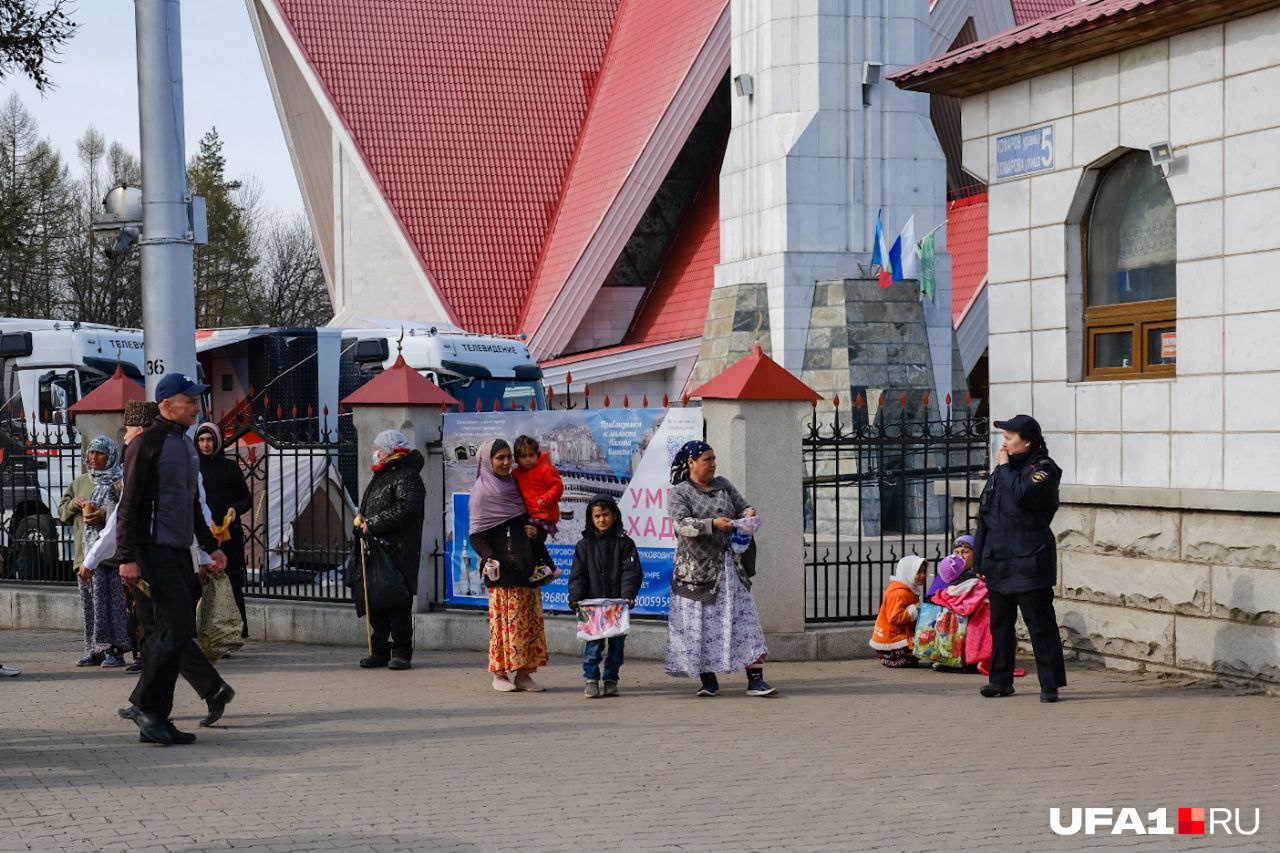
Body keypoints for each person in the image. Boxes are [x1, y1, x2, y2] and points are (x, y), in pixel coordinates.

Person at [85, 401, 232, 732]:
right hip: (159, 559)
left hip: (164, 560)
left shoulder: (157, 453)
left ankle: (193, 693)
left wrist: (96, 559)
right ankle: (148, 704)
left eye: (131, 429)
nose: (126, 436)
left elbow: (131, 514)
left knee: (167, 630)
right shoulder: (157, 452)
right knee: (157, 631)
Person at [664, 440, 775, 697]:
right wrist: (712, 524)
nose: (713, 464)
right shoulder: (680, 493)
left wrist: (748, 514)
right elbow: (682, 524)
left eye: (714, 459)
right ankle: (708, 681)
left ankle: (756, 679)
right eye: (707, 460)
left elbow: (742, 504)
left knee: (746, 621)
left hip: (730, 570)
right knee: (702, 626)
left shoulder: (724, 485)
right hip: (698, 573)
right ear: (691, 463)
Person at [973, 414, 1067, 703]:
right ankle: (1000, 680)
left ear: (1027, 441)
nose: (1004, 443)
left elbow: (1023, 495)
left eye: (1010, 437)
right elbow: (986, 517)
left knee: (1040, 625)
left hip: (1029, 561)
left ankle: (1049, 684)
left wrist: (1003, 470)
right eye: (1004, 437)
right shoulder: (1002, 473)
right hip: (999, 561)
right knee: (1000, 625)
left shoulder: (1043, 470)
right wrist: (979, 560)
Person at [468, 438, 549, 692]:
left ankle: (524, 674)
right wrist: (489, 556)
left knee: (527, 623)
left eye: (508, 458)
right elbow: (476, 534)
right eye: (499, 458)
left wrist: (536, 531)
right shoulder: (482, 492)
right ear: (487, 461)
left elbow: (538, 520)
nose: (505, 463)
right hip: (501, 571)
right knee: (504, 625)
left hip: (526, 568)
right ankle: (500, 675)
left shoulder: (518, 485)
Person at [354, 430, 426, 670]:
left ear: (393, 450)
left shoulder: (408, 476)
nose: (377, 453)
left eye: (381, 449)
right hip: (376, 548)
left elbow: (407, 508)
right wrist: (362, 523)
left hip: (398, 550)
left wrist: (373, 523)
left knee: (397, 603)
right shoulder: (383, 474)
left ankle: (401, 652)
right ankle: (379, 651)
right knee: (376, 601)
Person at [59, 435, 131, 668]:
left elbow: (126, 515)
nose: (94, 458)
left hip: (109, 557)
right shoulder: (80, 482)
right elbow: (62, 513)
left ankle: (115, 650)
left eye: (100, 453)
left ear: (111, 456)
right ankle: (93, 649)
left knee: (113, 607)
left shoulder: (119, 483)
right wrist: (73, 505)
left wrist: (104, 515)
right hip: (84, 556)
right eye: (91, 453)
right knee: (90, 605)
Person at [568, 496, 641, 698]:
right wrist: (575, 597)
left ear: (615, 516)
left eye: (606, 515)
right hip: (591, 606)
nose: (602, 520)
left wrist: (628, 596)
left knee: (616, 648)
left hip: (617, 605)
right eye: (597, 516)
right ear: (591, 518)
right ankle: (591, 679)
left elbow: (631, 572)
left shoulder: (625, 543)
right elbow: (578, 574)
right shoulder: (584, 545)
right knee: (593, 647)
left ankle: (611, 679)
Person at [195, 422, 253, 638]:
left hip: (228, 536)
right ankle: (204, 632)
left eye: (209, 440)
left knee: (230, 584)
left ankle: (233, 632)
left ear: (218, 441)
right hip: (202, 535)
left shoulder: (230, 468)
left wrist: (235, 509)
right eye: (201, 440)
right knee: (202, 585)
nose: (206, 444)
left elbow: (246, 498)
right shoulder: (194, 468)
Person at [511, 434, 564, 584]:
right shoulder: (516, 474)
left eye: (531, 455)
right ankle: (553, 569)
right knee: (532, 540)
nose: (528, 459)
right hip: (531, 514)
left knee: (533, 538)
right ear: (517, 458)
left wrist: (546, 499)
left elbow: (558, 486)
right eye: (523, 456)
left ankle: (543, 566)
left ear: (537, 455)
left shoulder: (545, 469)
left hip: (544, 515)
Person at [870, 555, 926, 668]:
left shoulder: (909, 589)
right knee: (910, 658)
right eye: (918, 572)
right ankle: (888, 657)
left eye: (924, 571)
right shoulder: (898, 593)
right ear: (908, 573)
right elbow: (894, 617)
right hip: (891, 638)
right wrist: (914, 610)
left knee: (915, 656)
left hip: (900, 634)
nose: (923, 575)